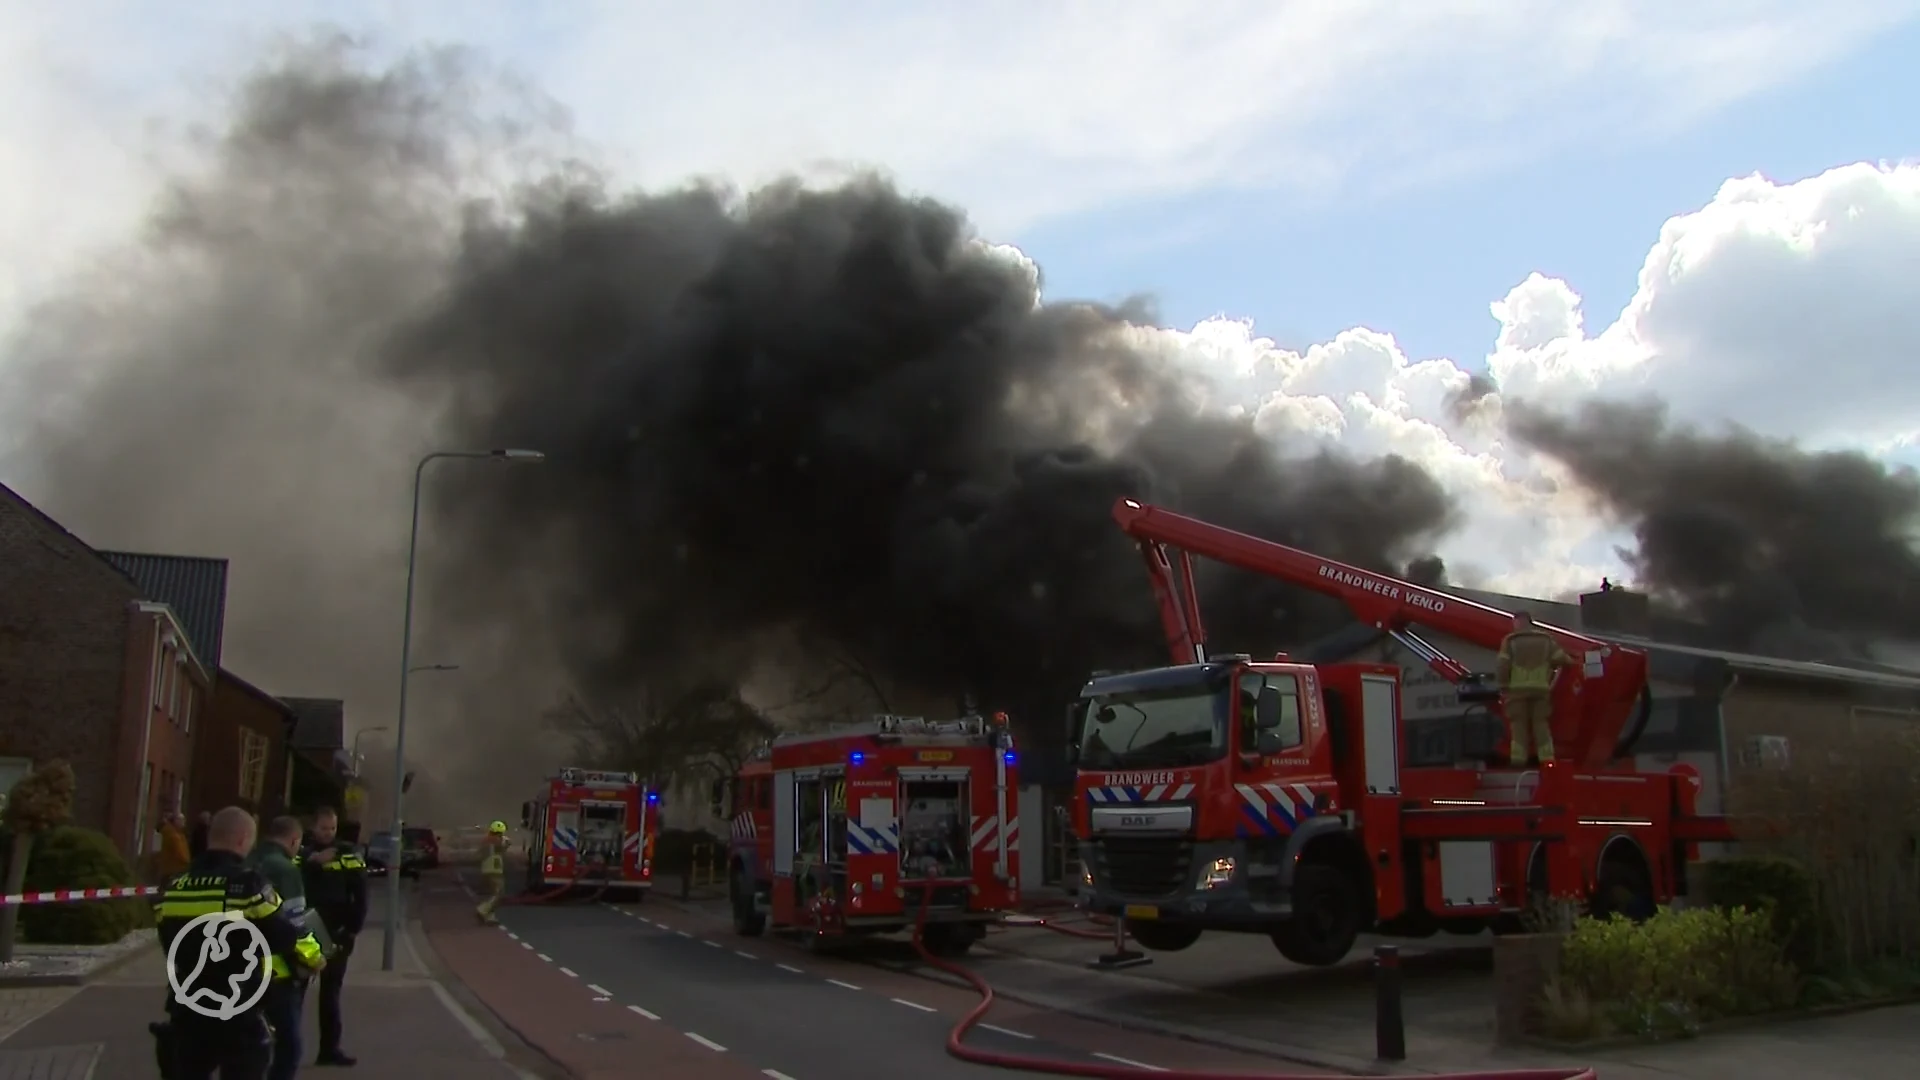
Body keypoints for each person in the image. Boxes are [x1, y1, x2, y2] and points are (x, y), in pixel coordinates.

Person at [153, 806, 325, 1080]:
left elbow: (168, 941)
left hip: (188, 1008)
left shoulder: (175, 887)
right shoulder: (247, 885)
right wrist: (314, 959)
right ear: (244, 838)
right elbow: (286, 935)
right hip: (237, 1008)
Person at [300, 806, 368, 1067]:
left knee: (330, 993)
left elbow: (361, 894)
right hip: (305, 934)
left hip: (337, 934)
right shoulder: (301, 854)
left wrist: (352, 929)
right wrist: (313, 861)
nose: (328, 833)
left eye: (332, 828)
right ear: (312, 828)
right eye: (323, 828)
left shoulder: (348, 854)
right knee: (296, 992)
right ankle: (286, 1049)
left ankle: (329, 1049)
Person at [249, 816, 313, 1080]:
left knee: (248, 1044)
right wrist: (313, 958)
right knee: (289, 1045)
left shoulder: (246, 860)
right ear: (294, 840)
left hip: (239, 969)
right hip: (279, 972)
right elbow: (295, 923)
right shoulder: (285, 869)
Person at [1496, 611, 1575, 767]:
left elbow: (1502, 666)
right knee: (1541, 725)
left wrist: (1503, 686)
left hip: (1517, 692)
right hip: (1540, 690)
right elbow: (1563, 659)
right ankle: (1547, 760)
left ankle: (1518, 762)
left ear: (1517, 622)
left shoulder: (1510, 641)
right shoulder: (1546, 640)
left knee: (1518, 727)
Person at [475, 821, 510, 924]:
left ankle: (489, 916)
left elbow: (479, 854)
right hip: (495, 869)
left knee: (492, 893)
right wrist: (507, 842)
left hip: (486, 868)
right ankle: (483, 910)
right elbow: (504, 846)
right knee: (499, 893)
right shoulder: (497, 840)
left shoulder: (485, 840)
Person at [157, 811, 193, 881]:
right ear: (176, 821)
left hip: (171, 869)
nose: (184, 823)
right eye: (182, 820)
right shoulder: (173, 835)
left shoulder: (178, 833)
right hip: (175, 869)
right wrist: (187, 862)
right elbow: (179, 852)